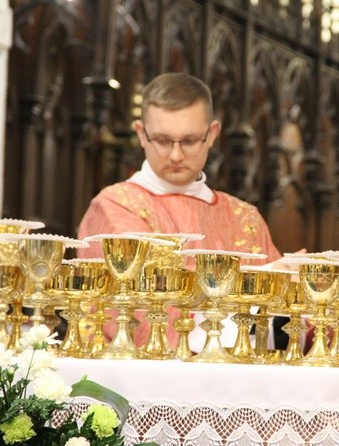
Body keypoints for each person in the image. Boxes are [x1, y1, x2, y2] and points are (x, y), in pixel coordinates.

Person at [77, 72, 281, 348]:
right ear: (141, 133)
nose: (175, 155)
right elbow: (140, 311)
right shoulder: (116, 205)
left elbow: (283, 323)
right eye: (162, 140)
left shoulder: (244, 216)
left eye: (188, 141)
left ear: (212, 135)